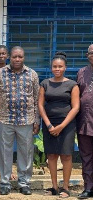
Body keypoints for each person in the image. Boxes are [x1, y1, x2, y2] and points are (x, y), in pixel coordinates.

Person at [0, 46, 40, 196]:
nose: (17, 59)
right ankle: (5, 182)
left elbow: (36, 99)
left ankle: (24, 182)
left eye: (20, 57)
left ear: (24, 58)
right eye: (14, 56)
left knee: (26, 152)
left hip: (26, 119)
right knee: (5, 152)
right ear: (9, 57)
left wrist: (37, 120)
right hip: (5, 118)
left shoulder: (32, 74)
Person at [38, 52, 80, 198]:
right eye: (55, 66)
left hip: (67, 124)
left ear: (65, 68)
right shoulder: (45, 83)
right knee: (51, 155)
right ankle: (54, 187)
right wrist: (49, 125)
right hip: (49, 124)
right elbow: (40, 105)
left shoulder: (72, 85)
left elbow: (75, 107)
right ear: (51, 68)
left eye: (60, 66)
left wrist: (62, 126)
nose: (57, 69)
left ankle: (65, 188)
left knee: (66, 156)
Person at [0, 45, 16, 181]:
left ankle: (8, 169)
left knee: (8, 142)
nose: (1, 56)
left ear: (7, 56)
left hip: (10, 112)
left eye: (3, 54)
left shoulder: (13, 71)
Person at [76, 44, 93, 199]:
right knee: (86, 156)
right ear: (87, 55)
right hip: (84, 122)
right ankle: (88, 187)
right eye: (91, 53)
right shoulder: (81, 72)